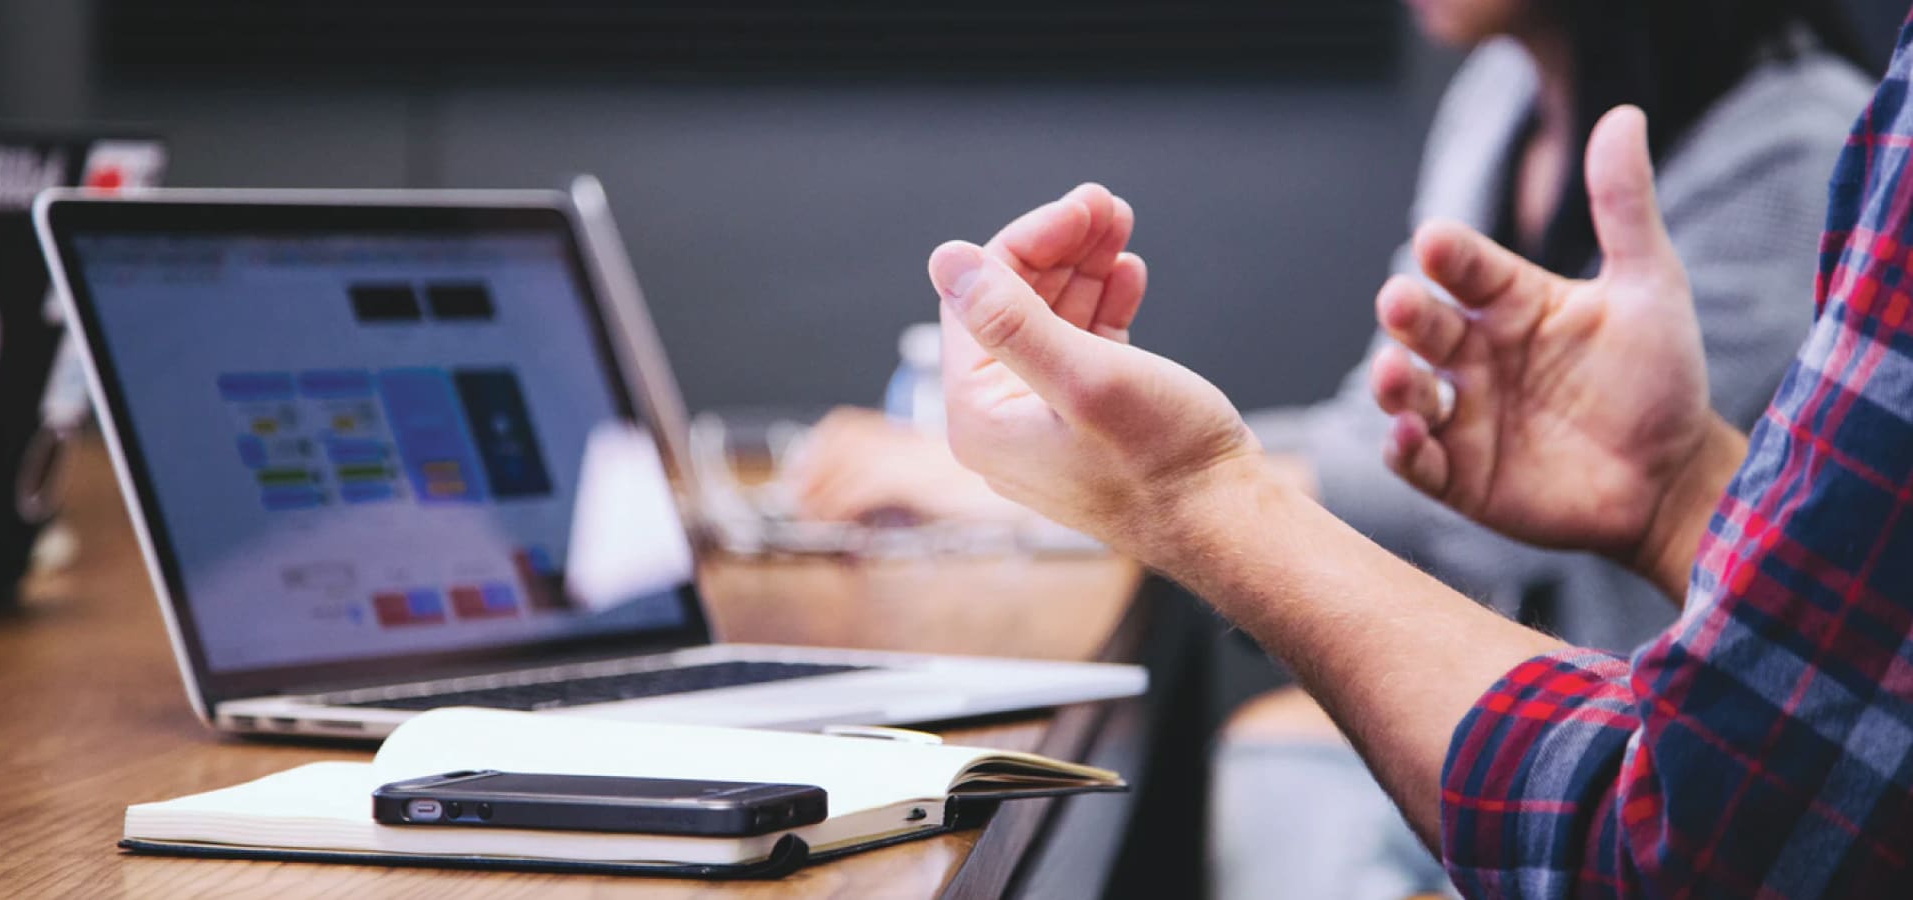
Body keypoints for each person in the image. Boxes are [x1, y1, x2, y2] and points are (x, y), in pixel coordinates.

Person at [790, 2, 1871, 891]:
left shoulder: (1797, 143)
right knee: (1267, 762)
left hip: (1669, 780)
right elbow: (1403, 438)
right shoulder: (1500, 99)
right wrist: (1676, 490)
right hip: (1593, 745)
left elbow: (1451, 514)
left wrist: (1140, 482)